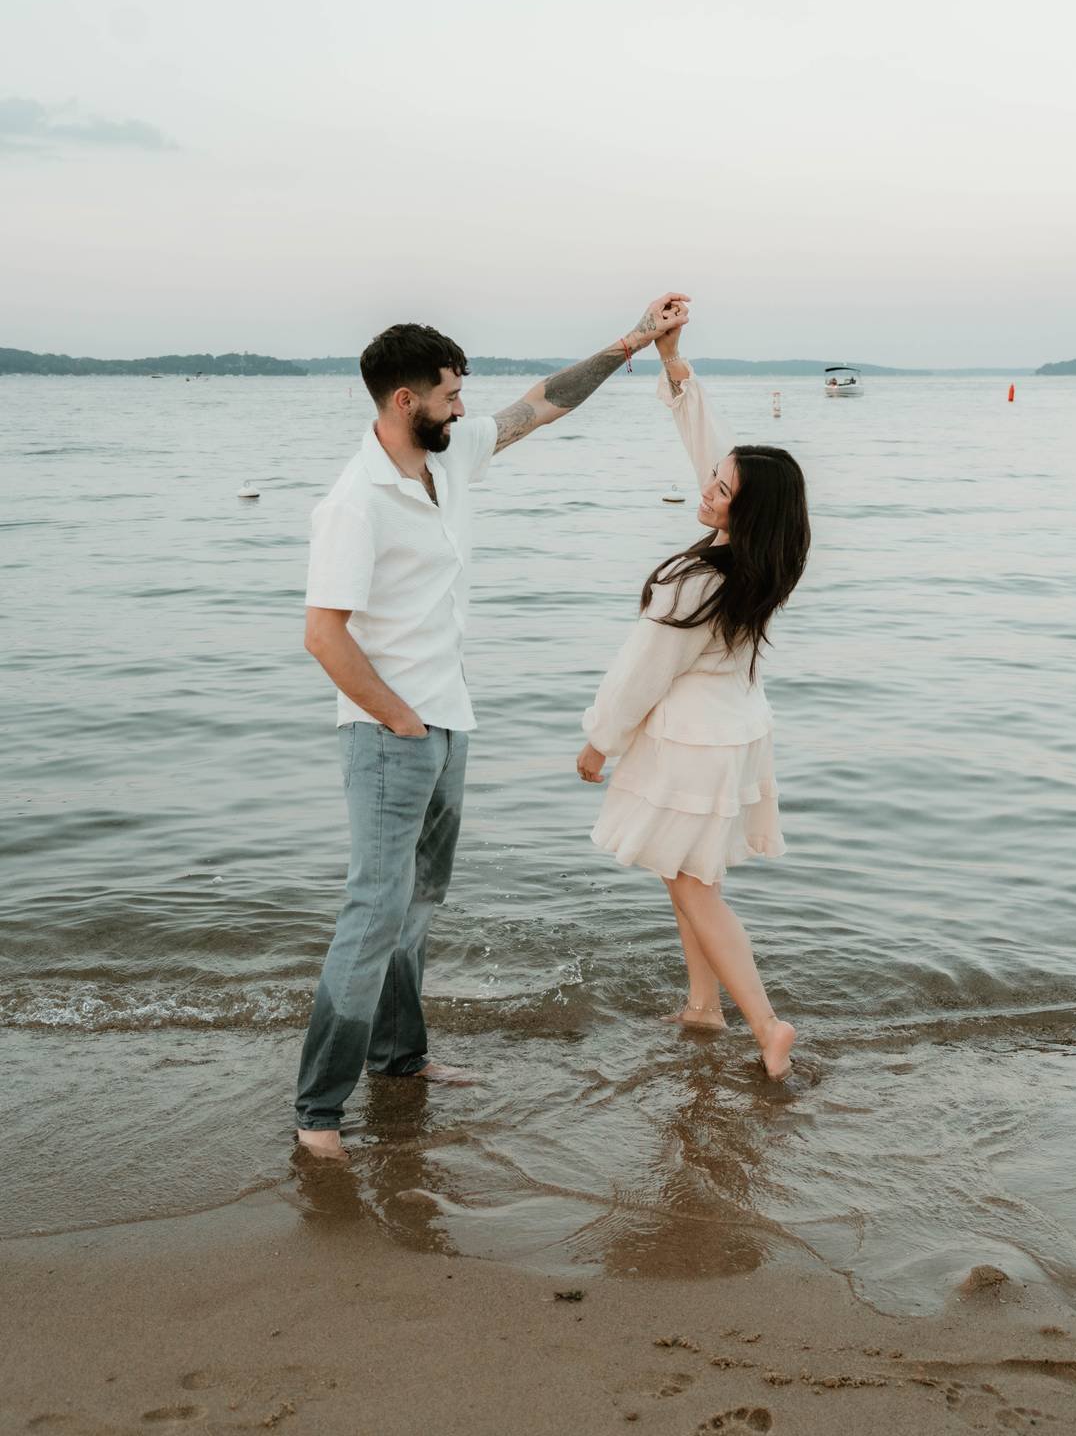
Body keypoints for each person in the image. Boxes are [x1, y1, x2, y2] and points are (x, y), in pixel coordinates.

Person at [296, 294, 690, 1158]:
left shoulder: (450, 456)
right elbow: (322, 635)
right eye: (449, 395)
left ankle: (400, 1060)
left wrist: (635, 339)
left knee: (417, 904)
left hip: (448, 721)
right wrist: (399, 717)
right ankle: (318, 1112)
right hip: (389, 733)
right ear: (407, 402)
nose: (464, 408)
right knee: (373, 907)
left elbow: (542, 403)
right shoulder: (354, 503)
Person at [576, 320, 810, 1080]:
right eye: (713, 480)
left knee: (693, 885)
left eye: (722, 489)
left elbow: (641, 669)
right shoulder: (761, 558)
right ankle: (702, 1007)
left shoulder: (698, 581)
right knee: (688, 874)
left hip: (696, 744)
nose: (708, 488)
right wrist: (674, 362)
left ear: (747, 508)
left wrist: (598, 740)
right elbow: (720, 454)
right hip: (734, 733)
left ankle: (767, 1025)